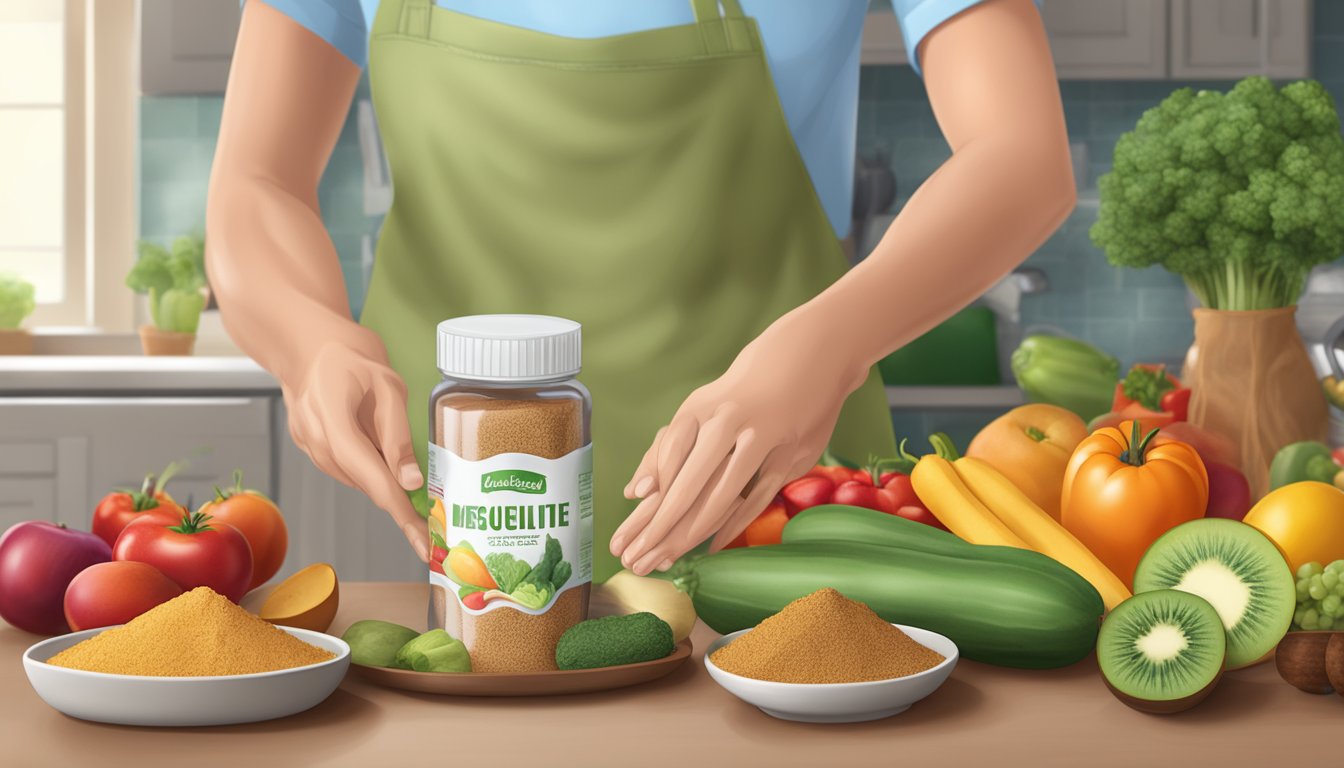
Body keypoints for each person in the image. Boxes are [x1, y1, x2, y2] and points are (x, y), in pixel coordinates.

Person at [207, 0, 1074, 581]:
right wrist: (303, 335)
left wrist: (829, 345)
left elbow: (1024, 155)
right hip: (431, 522)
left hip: (781, 509)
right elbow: (259, 179)